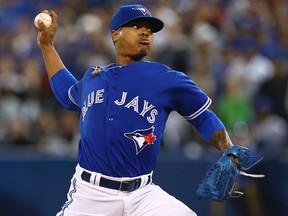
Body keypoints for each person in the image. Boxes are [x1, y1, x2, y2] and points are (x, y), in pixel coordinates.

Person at [36, 4, 237, 216]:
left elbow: (203, 117)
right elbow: (67, 94)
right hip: (91, 195)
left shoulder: (167, 78)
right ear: (115, 35)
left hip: (143, 195)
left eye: (149, 29)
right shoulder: (94, 77)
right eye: (136, 26)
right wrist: (47, 46)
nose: (145, 32)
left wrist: (228, 149)